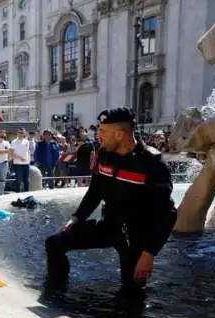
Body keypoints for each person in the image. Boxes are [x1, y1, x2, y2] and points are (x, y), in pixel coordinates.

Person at [44, 108, 177, 299]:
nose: (98, 136)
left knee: (131, 291)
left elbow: (167, 214)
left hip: (136, 236)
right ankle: (55, 294)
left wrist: (149, 254)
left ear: (119, 134)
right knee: (54, 243)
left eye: (102, 132)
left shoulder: (152, 163)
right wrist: (76, 217)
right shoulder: (104, 154)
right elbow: (95, 193)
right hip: (110, 225)